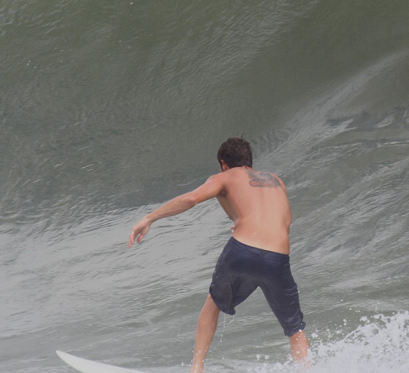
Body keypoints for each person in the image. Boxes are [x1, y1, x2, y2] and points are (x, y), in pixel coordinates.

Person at [128, 137, 309, 372]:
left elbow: (191, 198)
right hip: (278, 257)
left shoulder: (225, 177)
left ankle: (197, 368)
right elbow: (285, 220)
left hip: (242, 249)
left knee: (213, 303)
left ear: (224, 164)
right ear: (249, 162)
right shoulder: (276, 181)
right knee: (295, 328)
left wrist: (149, 217)